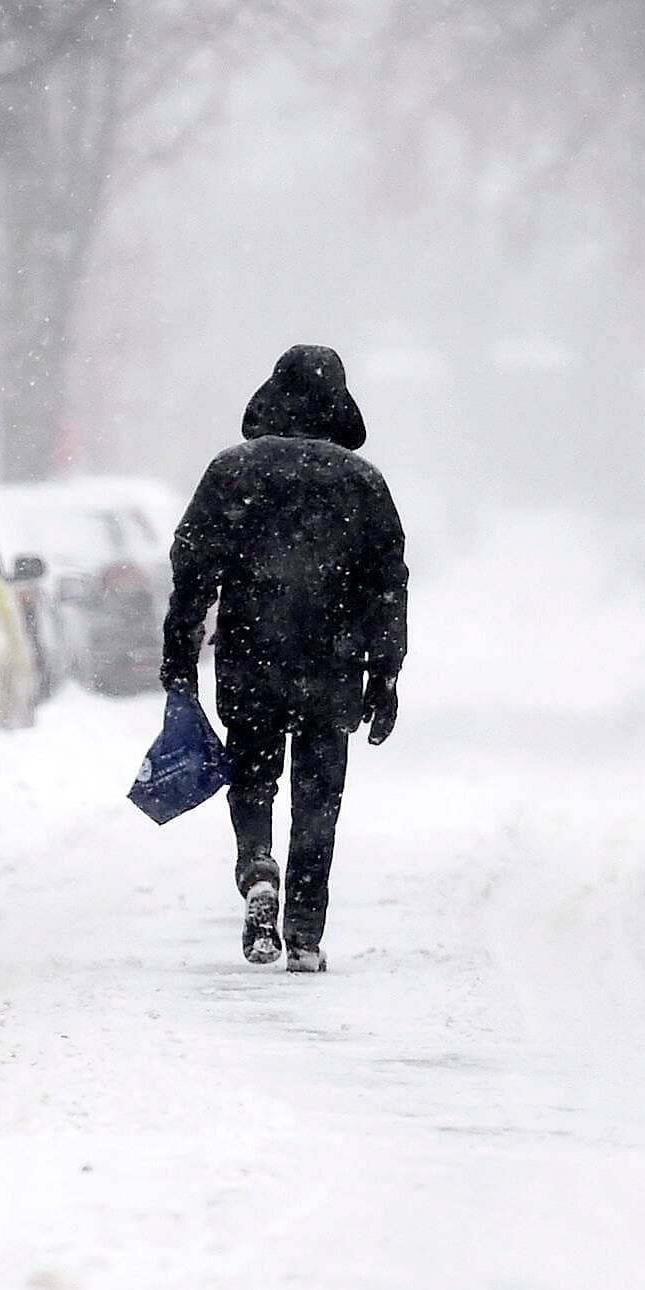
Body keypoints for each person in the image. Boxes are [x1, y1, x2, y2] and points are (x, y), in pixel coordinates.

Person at [162, 346, 409, 973]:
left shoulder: (231, 473)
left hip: (251, 654)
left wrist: (181, 653)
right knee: (319, 795)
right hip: (333, 662)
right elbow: (388, 584)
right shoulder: (363, 483)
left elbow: (192, 568)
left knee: (252, 774)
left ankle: (256, 868)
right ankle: (303, 933)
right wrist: (385, 674)